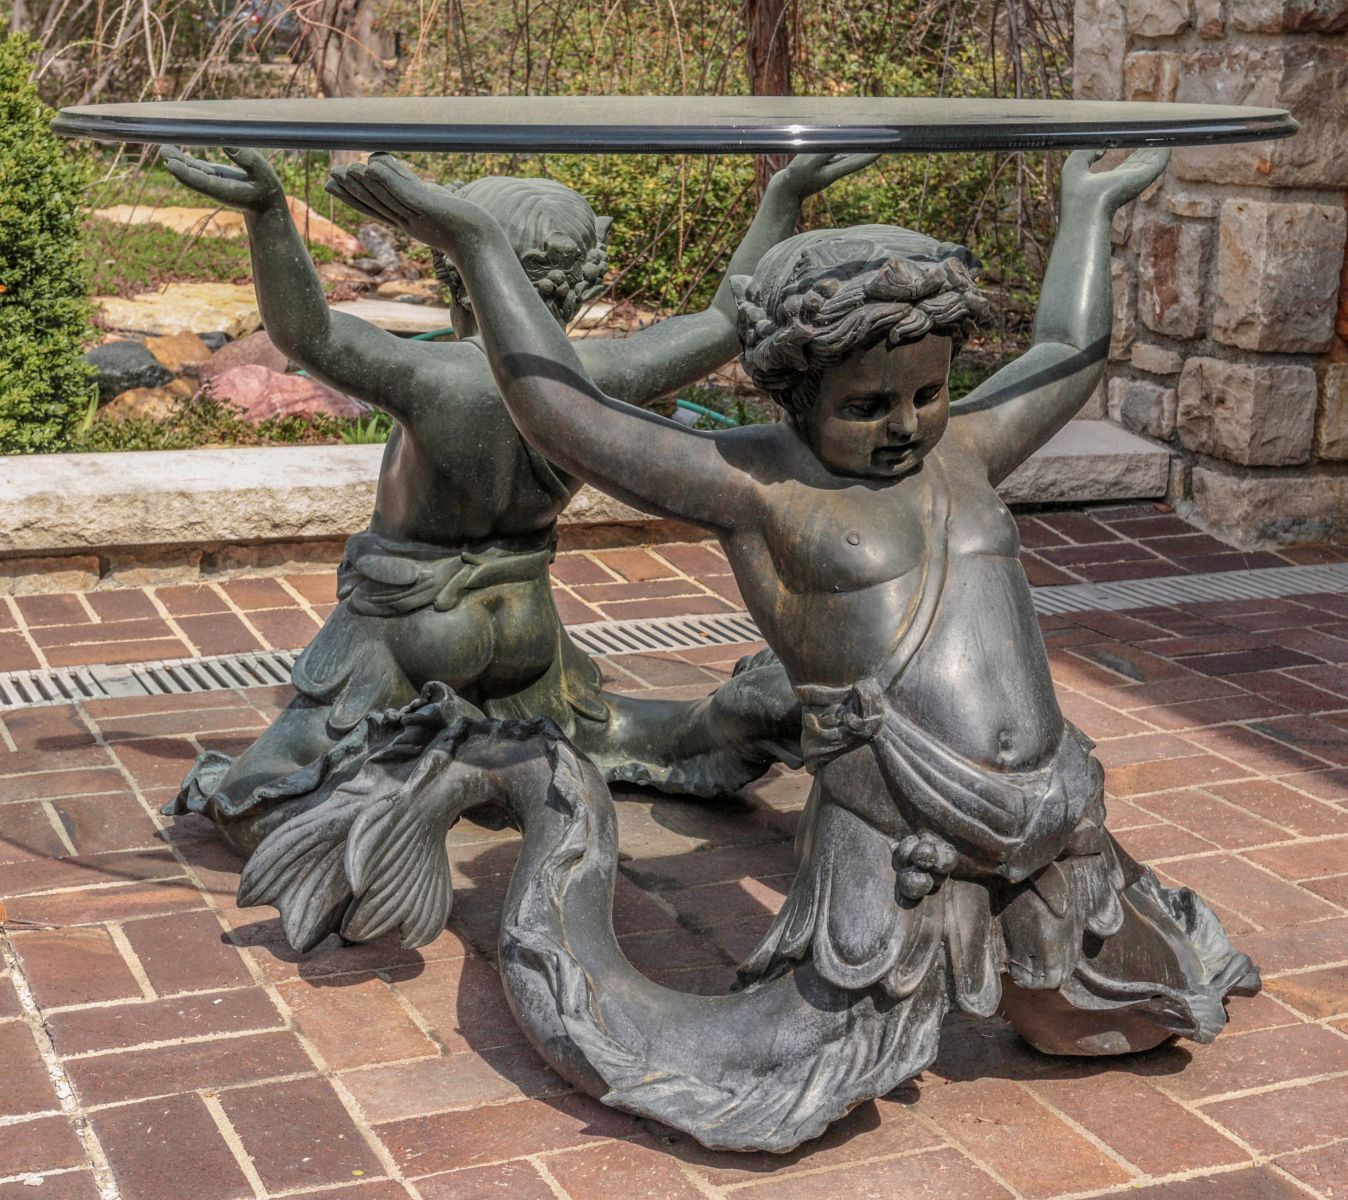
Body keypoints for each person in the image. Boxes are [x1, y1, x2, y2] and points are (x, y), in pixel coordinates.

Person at [345, 145, 1259, 1059]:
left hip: (1049, 803)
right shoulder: (757, 485)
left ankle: (1044, 961)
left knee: (1112, 1027)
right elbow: (564, 414)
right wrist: (477, 246)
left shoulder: (967, 449)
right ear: (794, 397)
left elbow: (1065, 349)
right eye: (867, 405)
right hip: (897, 815)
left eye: (929, 393)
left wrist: (1088, 211)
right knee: (797, 1062)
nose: (905, 424)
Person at [159, 145, 875, 852]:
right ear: (579, 286)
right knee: (621, 735)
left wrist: (268, 214)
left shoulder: (431, 377)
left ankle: (400, 813)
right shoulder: (601, 378)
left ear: (456, 271)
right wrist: (782, 197)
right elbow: (725, 320)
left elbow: (306, 332)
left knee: (258, 798)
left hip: (410, 624)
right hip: (527, 630)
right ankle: (738, 720)